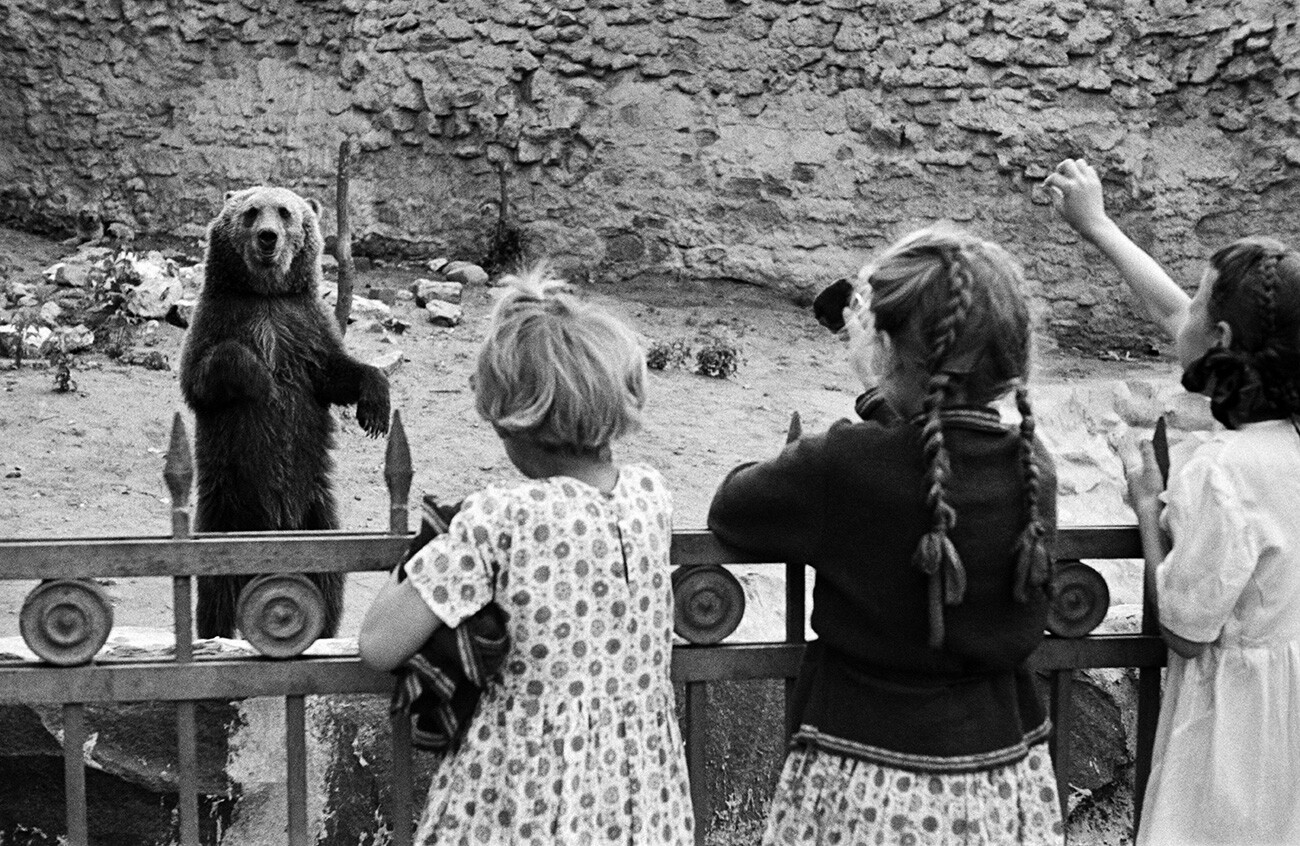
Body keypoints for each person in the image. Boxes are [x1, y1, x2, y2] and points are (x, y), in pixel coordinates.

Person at [709, 226, 1064, 845]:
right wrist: (886, 403)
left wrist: (860, 413)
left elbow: (732, 507)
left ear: (887, 346)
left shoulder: (842, 464)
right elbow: (930, 459)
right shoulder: (1034, 467)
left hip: (861, 776)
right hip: (1000, 775)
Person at [359, 265, 694, 845]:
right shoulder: (650, 495)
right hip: (640, 788)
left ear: (513, 420)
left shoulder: (500, 519)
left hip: (522, 793)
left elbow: (379, 643)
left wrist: (428, 546)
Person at [1047, 158, 1300, 844]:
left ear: (1219, 342)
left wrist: (1148, 504)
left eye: (1198, 301)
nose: (1178, 313)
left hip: (1237, 738)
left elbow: (1188, 627)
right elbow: (1179, 318)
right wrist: (1097, 226)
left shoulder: (1224, 472)